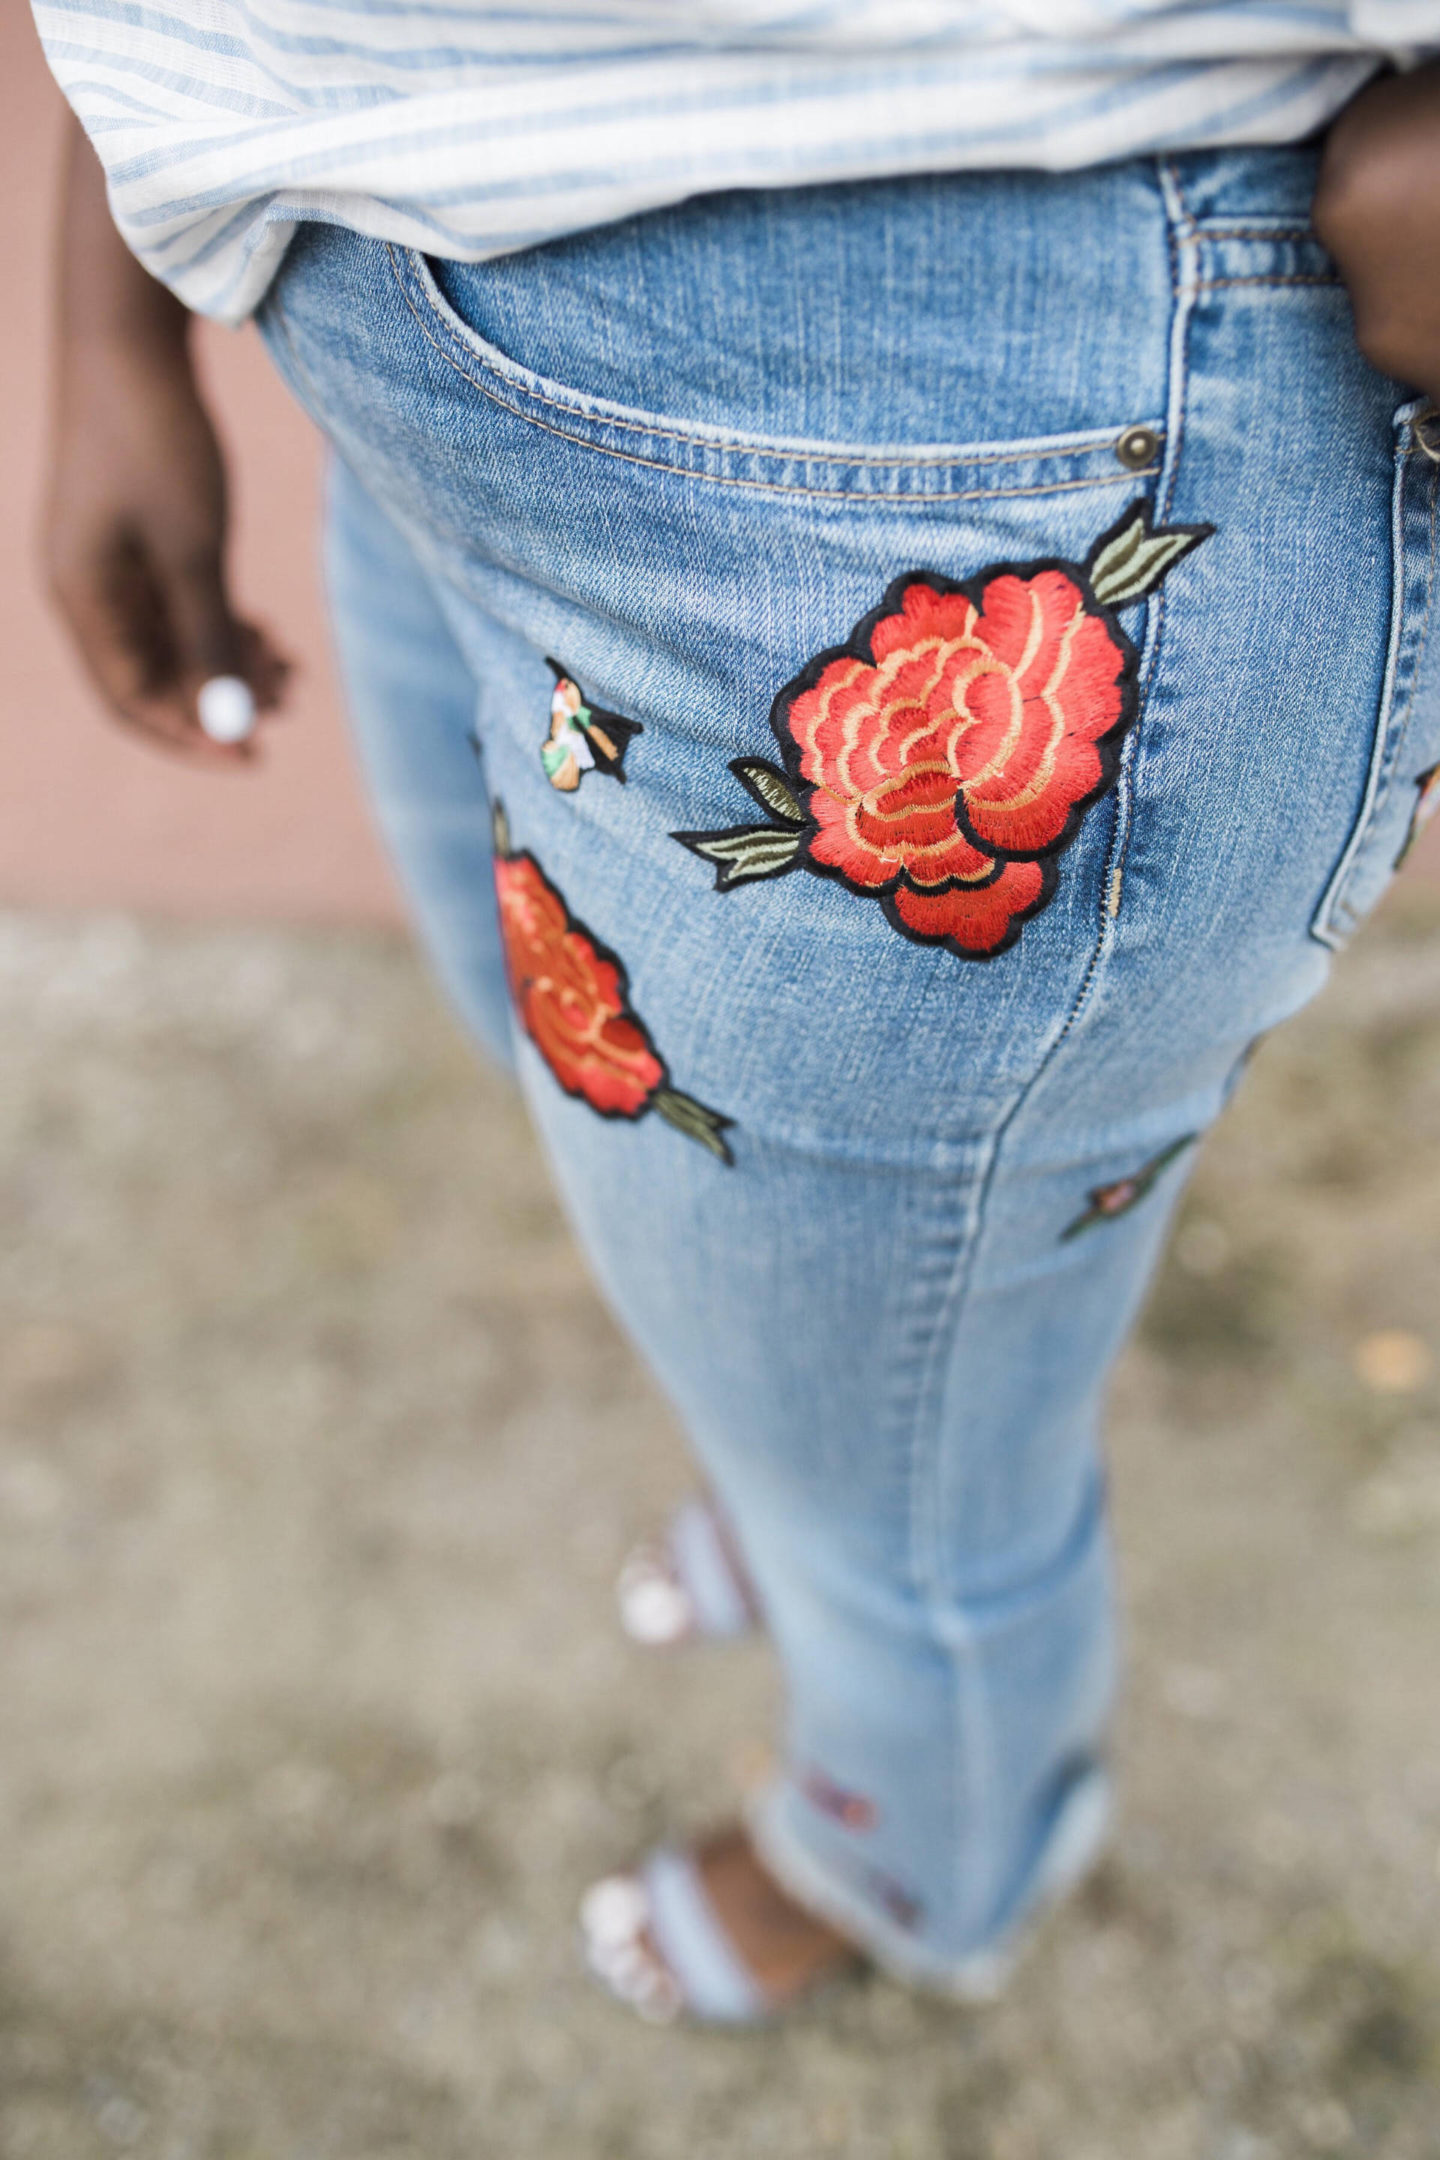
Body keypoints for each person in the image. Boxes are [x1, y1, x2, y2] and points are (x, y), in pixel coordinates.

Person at [35, 2, 1440, 2025]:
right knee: (708, 1237)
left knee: (915, 1478)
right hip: (383, 299)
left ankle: (921, 1861)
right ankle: (803, 1508)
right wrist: (117, 288)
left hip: (971, 432)